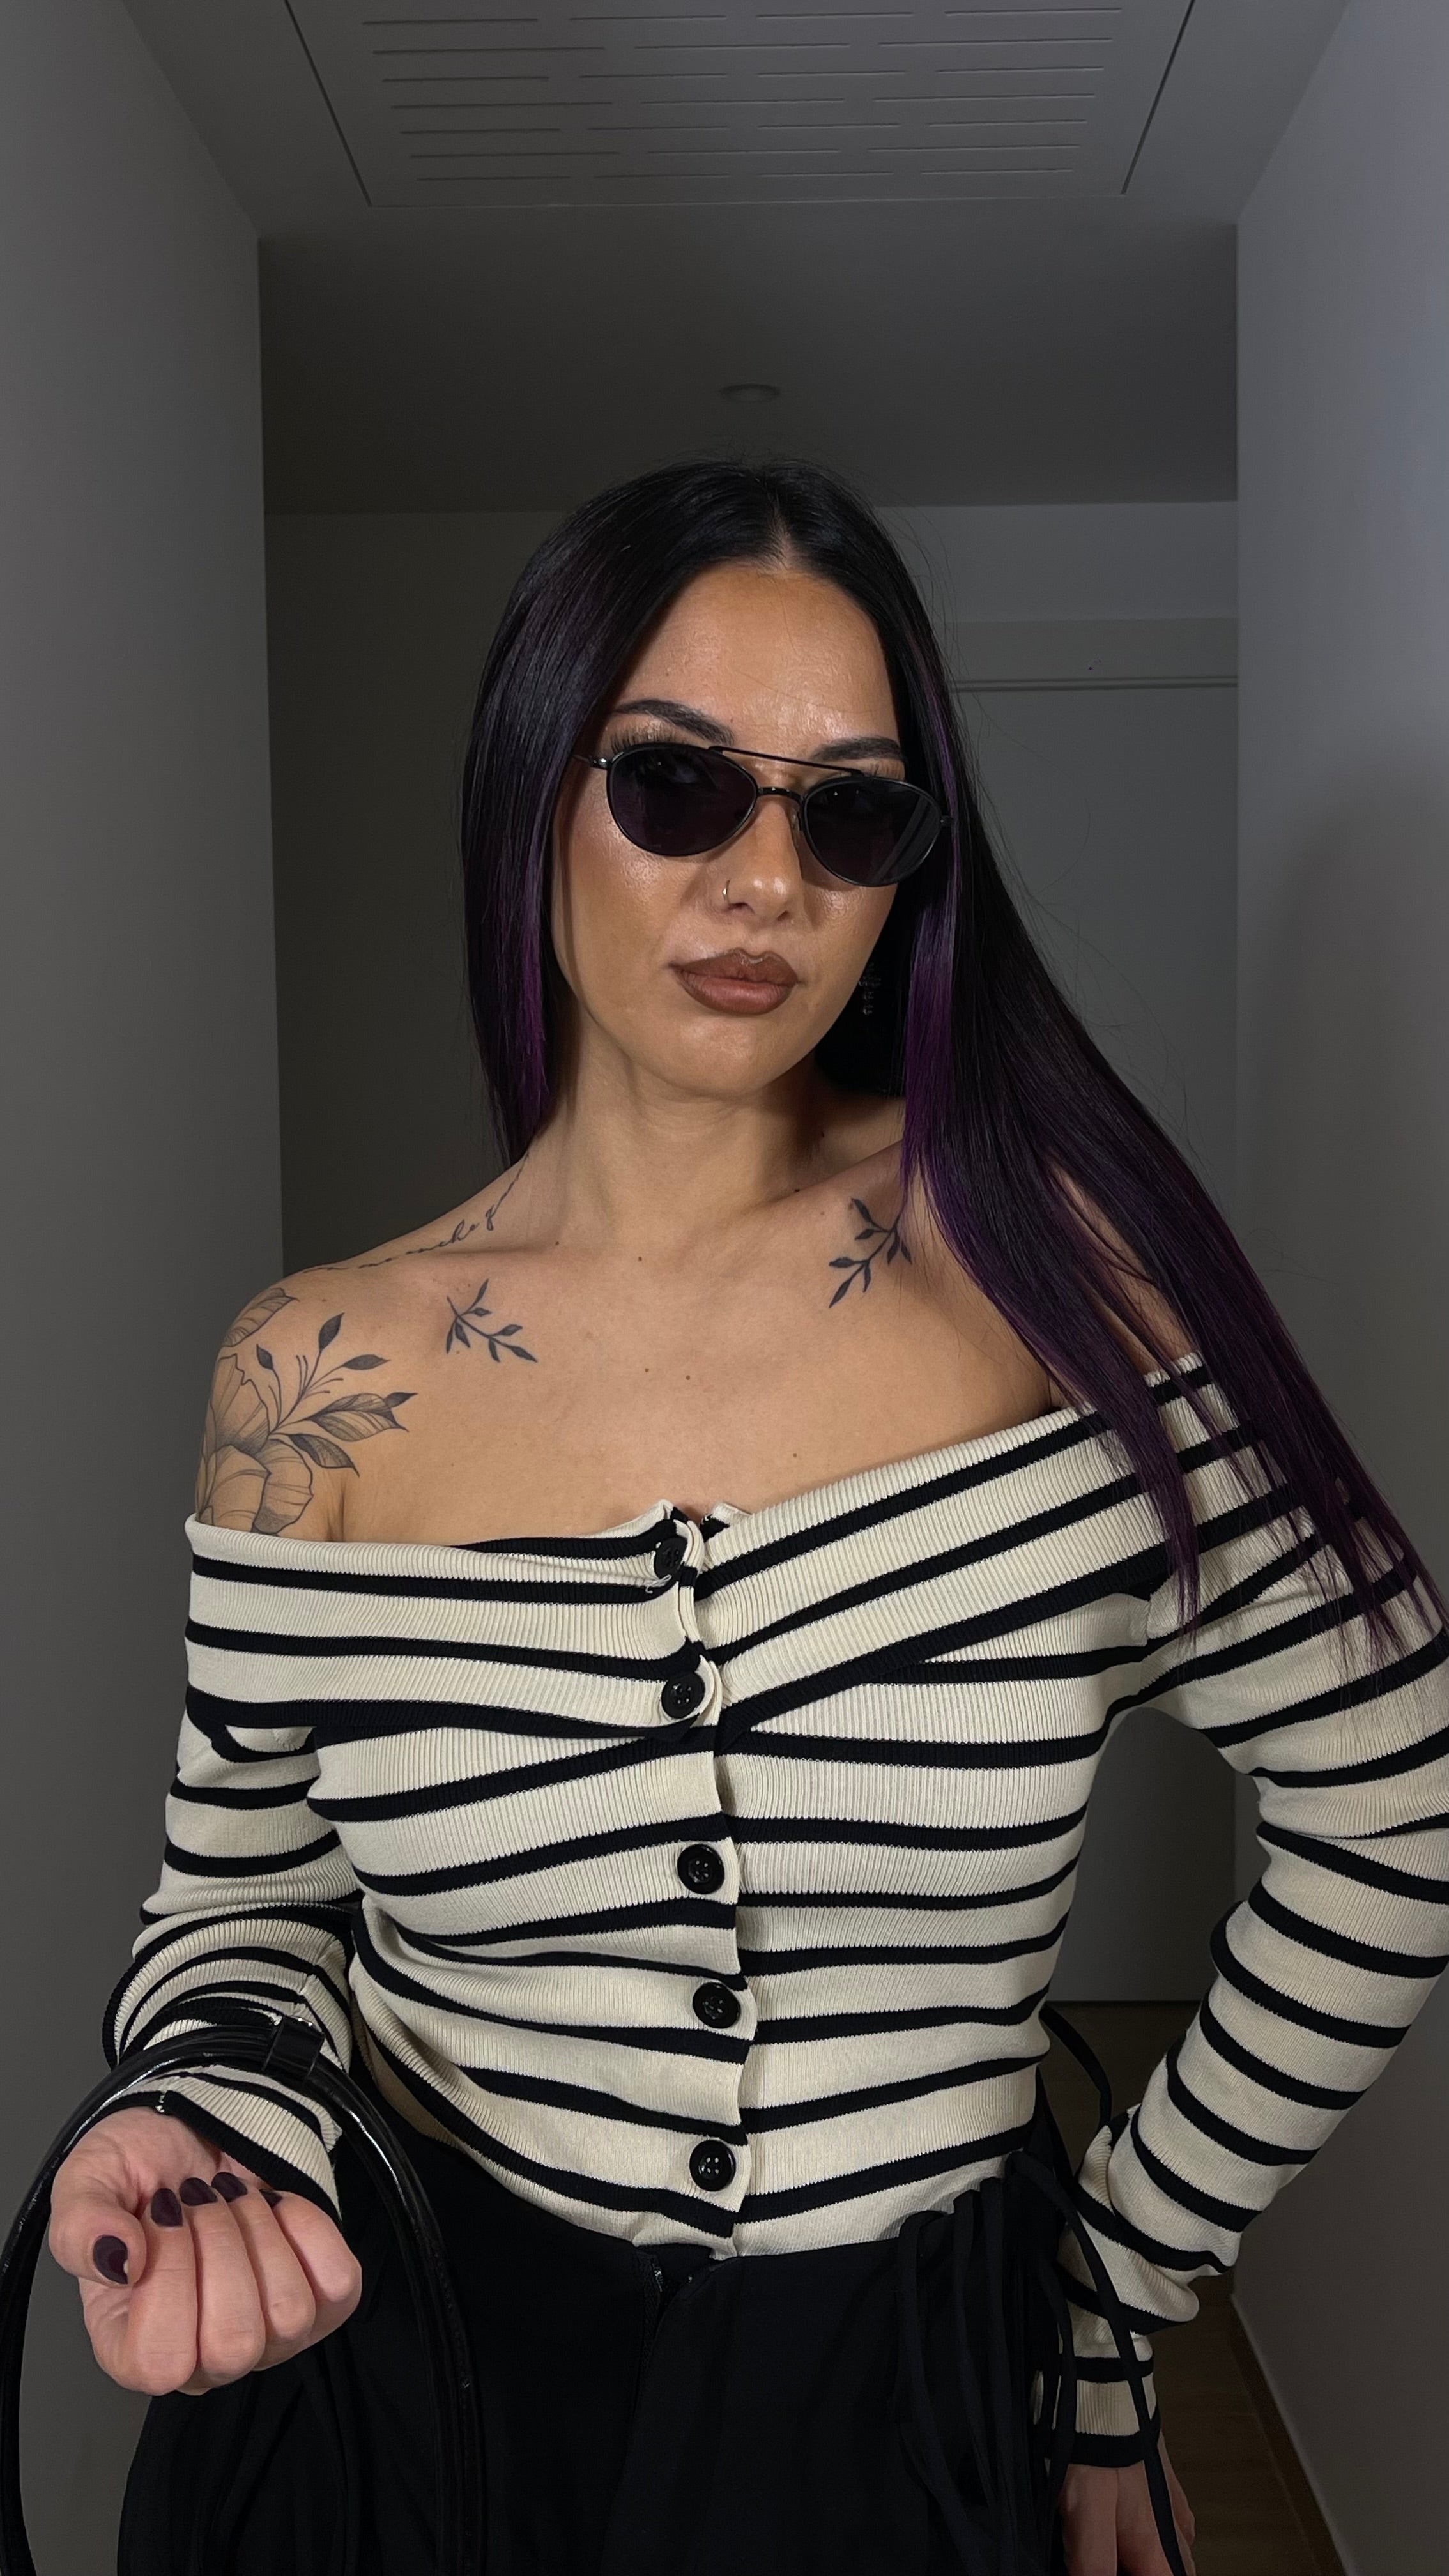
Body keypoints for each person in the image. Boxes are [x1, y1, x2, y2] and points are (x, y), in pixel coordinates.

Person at [47, 459, 1449, 2576]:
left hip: (901, 2422)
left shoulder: (1053, 1283)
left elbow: (1394, 1812)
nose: (769, 878)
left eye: (853, 813)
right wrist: (197, 2116)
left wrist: (1109, 2300)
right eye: (678, 785)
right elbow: (236, 1909)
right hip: (406, 2410)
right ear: (532, 793)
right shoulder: (311, 1384)